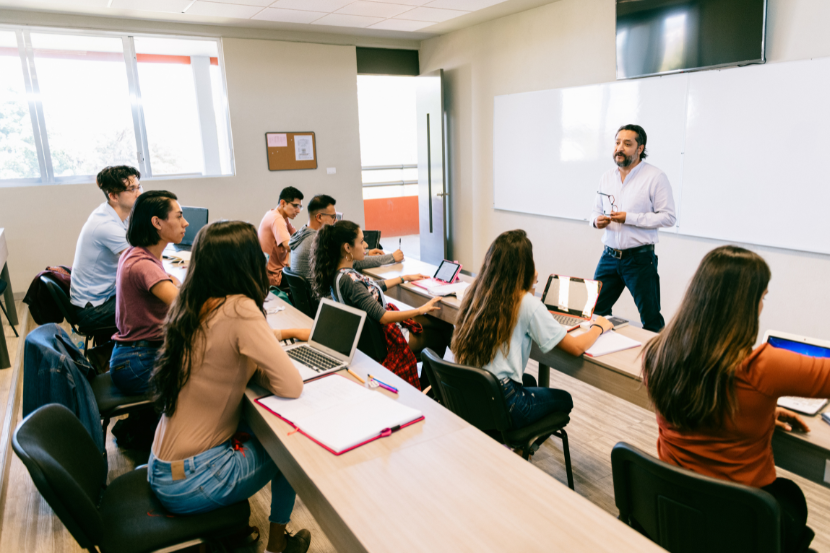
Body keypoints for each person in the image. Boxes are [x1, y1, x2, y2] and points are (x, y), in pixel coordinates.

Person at [642, 245, 830, 553]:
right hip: (738, 524)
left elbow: (707, 403)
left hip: (676, 510)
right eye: (762, 298)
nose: (761, 307)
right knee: (790, 497)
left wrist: (762, 411)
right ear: (744, 305)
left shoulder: (657, 354)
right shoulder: (763, 368)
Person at [148, 221, 312, 553]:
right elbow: (291, 385)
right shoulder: (239, 307)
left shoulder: (192, 302)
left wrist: (262, 356)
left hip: (163, 467)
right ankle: (277, 545)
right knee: (291, 448)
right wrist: (265, 367)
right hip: (195, 479)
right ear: (248, 261)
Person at [451, 230, 613, 432]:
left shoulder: (476, 292)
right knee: (565, 399)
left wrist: (530, 285)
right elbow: (577, 347)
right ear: (524, 267)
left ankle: (515, 444)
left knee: (529, 381)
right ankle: (518, 449)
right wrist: (599, 326)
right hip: (503, 400)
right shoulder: (525, 303)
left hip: (470, 391)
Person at [309, 221, 452, 390]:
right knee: (442, 332)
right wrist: (421, 308)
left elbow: (371, 289)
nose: (366, 245)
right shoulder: (351, 281)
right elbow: (383, 317)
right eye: (361, 241)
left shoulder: (340, 273)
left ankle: (430, 388)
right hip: (386, 340)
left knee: (440, 324)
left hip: (372, 337)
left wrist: (403, 278)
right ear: (347, 247)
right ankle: (429, 389)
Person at [589, 124, 676, 332]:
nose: (620, 148)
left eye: (627, 144)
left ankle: (656, 363)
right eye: (617, 143)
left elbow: (669, 217)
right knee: (594, 311)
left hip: (639, 260)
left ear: (640, 148)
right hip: (609, 257)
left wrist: (630, 218)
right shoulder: (607, 177)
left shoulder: (655, 177)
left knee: (651, 318)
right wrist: (596, 221)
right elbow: (594, 211)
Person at [109, 191, 188, 395]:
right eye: (179, 216)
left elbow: (172, 281)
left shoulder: (136, 253)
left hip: (133, 355)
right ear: (157, 222)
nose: (185, 223)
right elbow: (187, 306)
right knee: (213, 377)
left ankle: (139, 424)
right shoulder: (143, 264)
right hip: (138, 362)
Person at [70, 165, 142, 334]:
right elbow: (139, 263)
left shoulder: (117, 214)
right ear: (113, 196)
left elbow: (139, 246)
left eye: (139, 187)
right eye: (132, 189)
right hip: (92, 310)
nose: (139, 193)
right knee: (156, 306)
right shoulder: (106, 225)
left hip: (105, 295)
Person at [289, 194, 403, 281]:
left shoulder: (302, 234)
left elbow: (344, 255)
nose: (336, 221)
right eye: (333, 217)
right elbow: (352, 261)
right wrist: (391, 257)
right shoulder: (317, 241)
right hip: (325, 300)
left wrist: (366, 252)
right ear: (319, 217)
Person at [258, 186, 303, 289]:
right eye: (295, 206)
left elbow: (296, 235)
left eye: (300, 207)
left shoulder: (278, 214)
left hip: (271, 272)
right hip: (272, 277)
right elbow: (289, 246)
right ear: (283, 203)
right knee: (307, 283)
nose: (298, 211)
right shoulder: (277, 219)